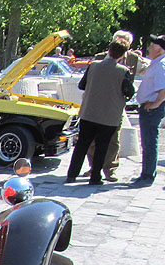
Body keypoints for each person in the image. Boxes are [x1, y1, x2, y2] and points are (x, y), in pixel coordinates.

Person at [66, 41, 134, 186]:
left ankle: (72, 174)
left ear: (108, 50)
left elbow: (81, 85)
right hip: (109, 116)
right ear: (122, 55)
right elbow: (129, 91)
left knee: (82, 145)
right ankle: (95, 177)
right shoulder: (123, 71)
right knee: (102, 146)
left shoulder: (93, 66)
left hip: (89, 113)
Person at [86, 30, 149, 181]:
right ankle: (94, 167)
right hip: (97, 103)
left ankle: (110, 169)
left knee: (114, 139)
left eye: (125, 41)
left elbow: (148, 69)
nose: (122, 43)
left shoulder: (133, 59)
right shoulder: (100, 58)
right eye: (119, 40)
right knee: (92, 140)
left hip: (116, 105)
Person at [133, 35, 165, 185]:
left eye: (151, 45)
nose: (149, 48)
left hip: (151, 107)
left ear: (159, 48)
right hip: (150, 106)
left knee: (149, 141)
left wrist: (156, 104)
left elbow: (163, 88)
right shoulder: (157, 63)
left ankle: (147, 176)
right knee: (148, 141)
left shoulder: (161, 64)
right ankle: (146, 173)